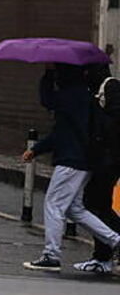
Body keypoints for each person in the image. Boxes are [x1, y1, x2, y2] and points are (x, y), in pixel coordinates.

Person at [22, 64, 120, 272]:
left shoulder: (70, 96)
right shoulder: (85, 96)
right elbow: (63, 131)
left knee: (54, 204)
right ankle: (115, 240)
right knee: (75, 209)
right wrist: (37, 149)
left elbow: (47, 101)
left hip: (71, 161)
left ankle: (51, 255)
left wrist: (47, 74)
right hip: (85, 161)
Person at [73, 64, 120, 273]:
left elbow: (112, 123)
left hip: (110, 161)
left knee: (98, 205)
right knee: (97, 204)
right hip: (103, 160)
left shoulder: (111, 87)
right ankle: (104, 254)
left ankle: (105, 254)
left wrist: (95, 110)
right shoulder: (97, 91)